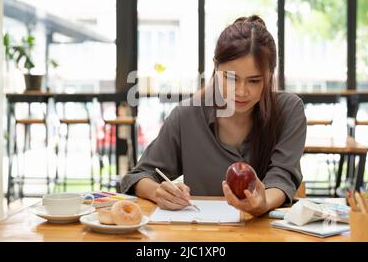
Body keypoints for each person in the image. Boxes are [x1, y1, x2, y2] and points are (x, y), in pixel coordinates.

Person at [120, 15, 307, 217]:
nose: (241, 91)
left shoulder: (289, 111)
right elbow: (138, 176)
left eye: (254, 81)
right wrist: (159, 192)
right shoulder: (186, 116)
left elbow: (282, 176)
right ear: (216, 67)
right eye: (230, 78)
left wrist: (263, 203)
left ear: (270, 75)